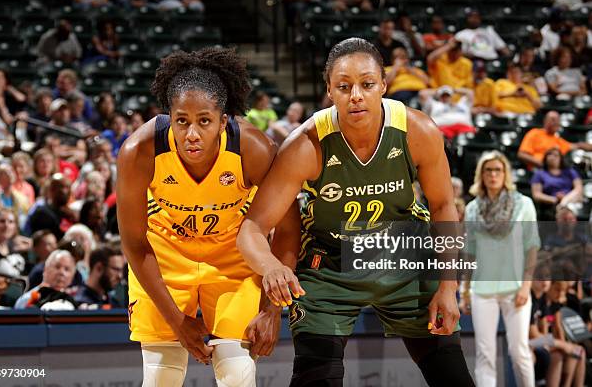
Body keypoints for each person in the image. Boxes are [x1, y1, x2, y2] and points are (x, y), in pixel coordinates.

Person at [237, 38, 474, 386]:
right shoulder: (305, 145)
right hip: (331, 266)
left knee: (452, 377)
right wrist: (271, 271)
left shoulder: (418, 130)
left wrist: (447, 287)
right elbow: (252, 228)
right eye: (344, 87)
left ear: (384, 85)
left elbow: (442, 206)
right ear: (329, 91)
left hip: (403, 261)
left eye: (367, 84)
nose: (356, 96)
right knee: (315, 378)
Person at [117, 47, 299, 386]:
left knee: (237, 374)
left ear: (223, 121)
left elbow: (289, 229)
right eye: (182, 121)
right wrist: (177, 321)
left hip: (233, 256)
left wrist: (272, 309)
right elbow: (134, 243)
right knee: (160, 379)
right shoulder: (138, 151)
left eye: (204, 121)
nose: (192, 134)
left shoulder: (254, 149)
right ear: (170, 117)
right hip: (164, 255)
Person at [460, 151, 539, 387]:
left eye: (498, 170)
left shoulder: (524, 204)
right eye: (488, 170)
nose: (493, 175)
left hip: (516, 289)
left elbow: (532, 247)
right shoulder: (473, 209)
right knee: (485, 355)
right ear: (481, 175)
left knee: (519, 351)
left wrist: (526, 287)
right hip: (482, 290)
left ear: (505, 174)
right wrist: (465, 291)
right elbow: (470, 253)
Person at [517, 110, 592, 169]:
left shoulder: (558, 140)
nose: (556, 122)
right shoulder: (535, 133)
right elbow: (522, 154)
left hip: (553, 172)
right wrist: (542, 164)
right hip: (537, 170)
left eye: (558, 120)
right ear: (545, 121)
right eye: (553, 119)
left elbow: (577, 146)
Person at [531, 148, 583, 220]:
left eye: (556, 155)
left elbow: (578, 189)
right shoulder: (539, 174)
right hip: (550, 205)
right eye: (550, 155)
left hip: (571, 202)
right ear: (545, 158)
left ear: (561, 158)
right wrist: (555, 199)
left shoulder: (570, 172)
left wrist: (565, 200)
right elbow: (536, 195)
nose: (552, 157)